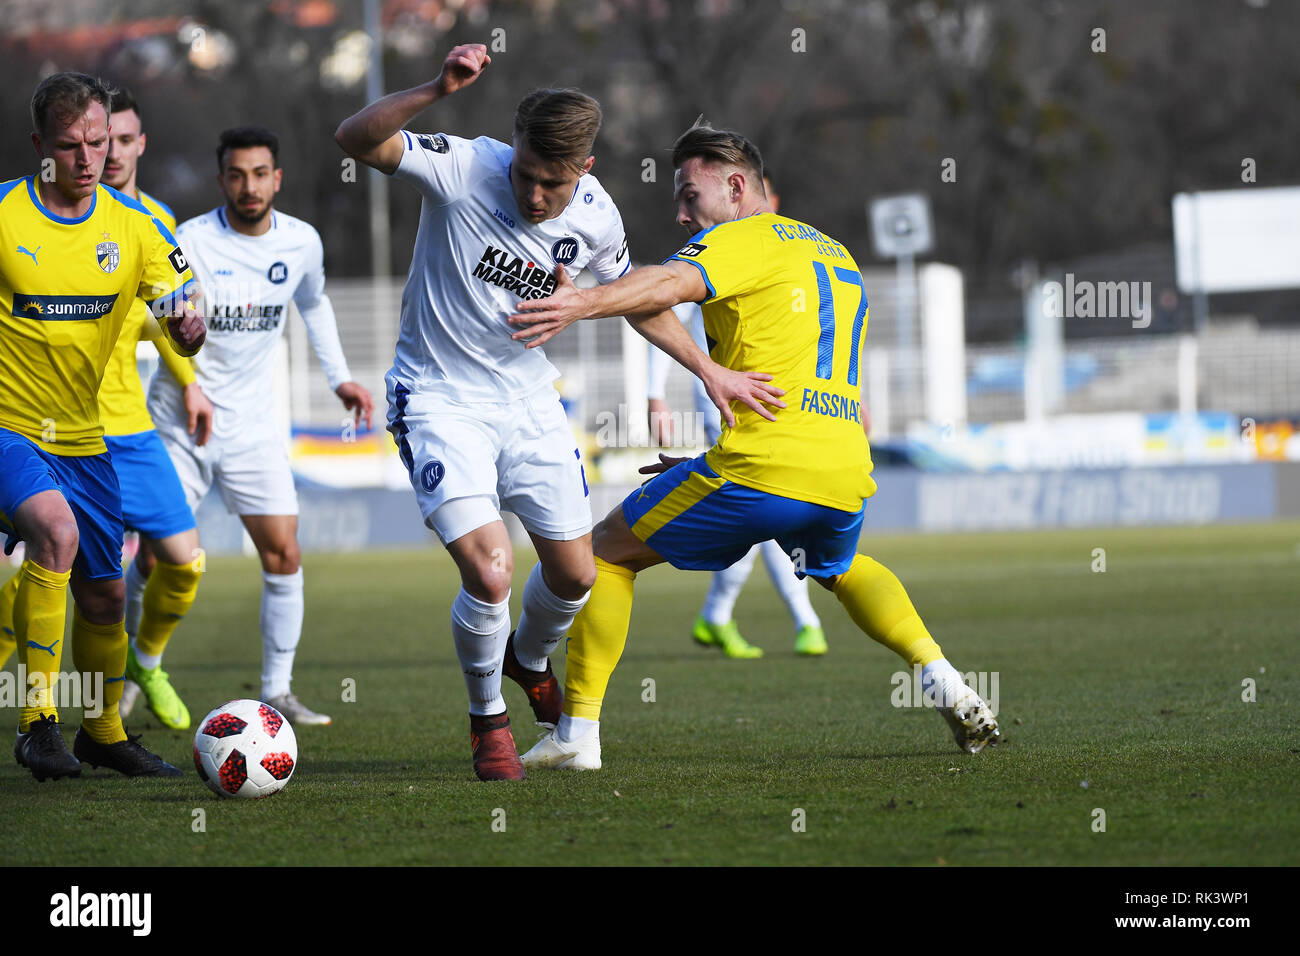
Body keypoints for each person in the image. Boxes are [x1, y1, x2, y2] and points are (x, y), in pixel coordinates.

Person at [334, 44, 776, 780]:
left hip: (528, 398)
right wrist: (437, 87)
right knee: (492, 569)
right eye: (526, 175)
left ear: (587, 171)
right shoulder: (464, 166)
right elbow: (355, 137)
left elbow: (636, 300)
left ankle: (527, 658)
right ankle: (488, 719)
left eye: (553, 184)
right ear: (510, 149)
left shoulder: (598, 218)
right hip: (439, 396)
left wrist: (709, 370)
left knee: (575, 575)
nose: (534, 196)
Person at [509, 121, 1000, 770]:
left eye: (690, 196)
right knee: (841, 567)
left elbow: (664, 286)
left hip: (761, 471)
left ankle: (577, 736)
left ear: (738, 186)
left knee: (604, 556)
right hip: (842, 471)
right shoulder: (833, 251)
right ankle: (943, 679)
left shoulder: (741, 239)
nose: (683, 215)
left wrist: (581, 301)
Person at [0, 71, 205, 780]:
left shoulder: (137, 226)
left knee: (107, 593)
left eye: (97, 142)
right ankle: (36, 726)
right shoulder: (4, 215)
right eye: (69, 146)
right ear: (39, 146)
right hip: (9, 425)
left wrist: (188, 326)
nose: (89, 159)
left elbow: (186, 316)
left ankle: (104, 732)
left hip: (87, 439)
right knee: (53, 534)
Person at [144, 125, 374, 727]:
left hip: (253, 428)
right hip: (179, 421)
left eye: (260, 173)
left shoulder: (301, 242)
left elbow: (314, 304)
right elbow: (159, 311)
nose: (250, 186)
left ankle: (277, 689)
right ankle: (134, 672)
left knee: (283, 553)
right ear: (222, 180)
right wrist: (190, 382)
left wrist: (340, 378)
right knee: (156, 559)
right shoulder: (187, 240)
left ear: (278, 178)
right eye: (237, 175)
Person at [645, 173, 827, 659]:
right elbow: (662, 311)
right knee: (763, 508)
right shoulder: (718, 250)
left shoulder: (787, 251)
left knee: (763, 512)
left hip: (779, 402)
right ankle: (803, 620)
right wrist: (653, 394)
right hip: (726, 402)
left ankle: (718, 616)